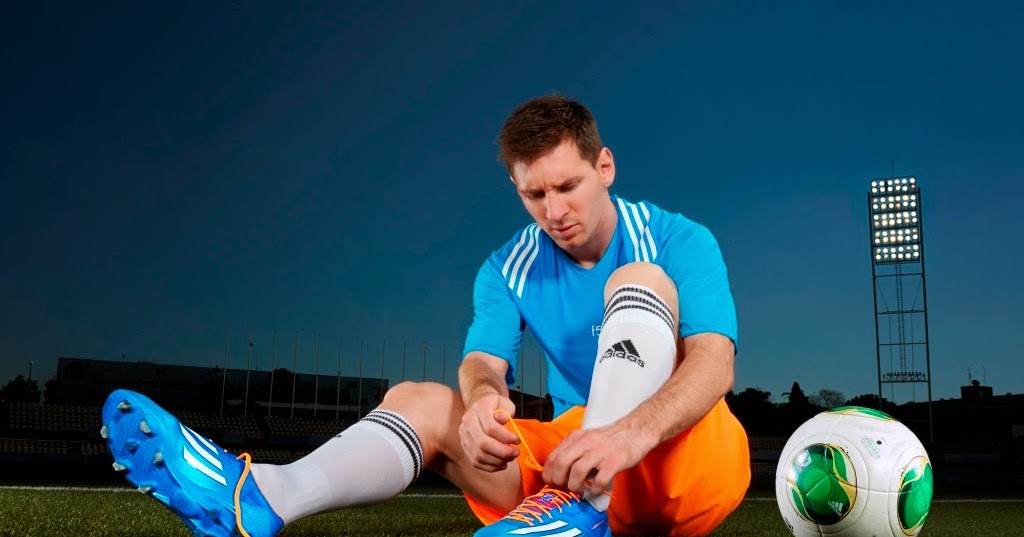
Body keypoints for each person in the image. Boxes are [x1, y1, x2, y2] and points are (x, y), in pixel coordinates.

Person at [101, 94, 750, 537]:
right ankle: (260, 497)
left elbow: (715, 363)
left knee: (639, 281)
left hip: (674, 455)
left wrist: (626, 438)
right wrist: (484, 403)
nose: (554, 211)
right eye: (534, 194)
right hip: (565, 468)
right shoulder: (507, 267)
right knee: (420, 399)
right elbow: (482, 362)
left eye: (567, 186)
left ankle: (586, 504)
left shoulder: (677, 240)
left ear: (604, 167)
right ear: (516, 188)